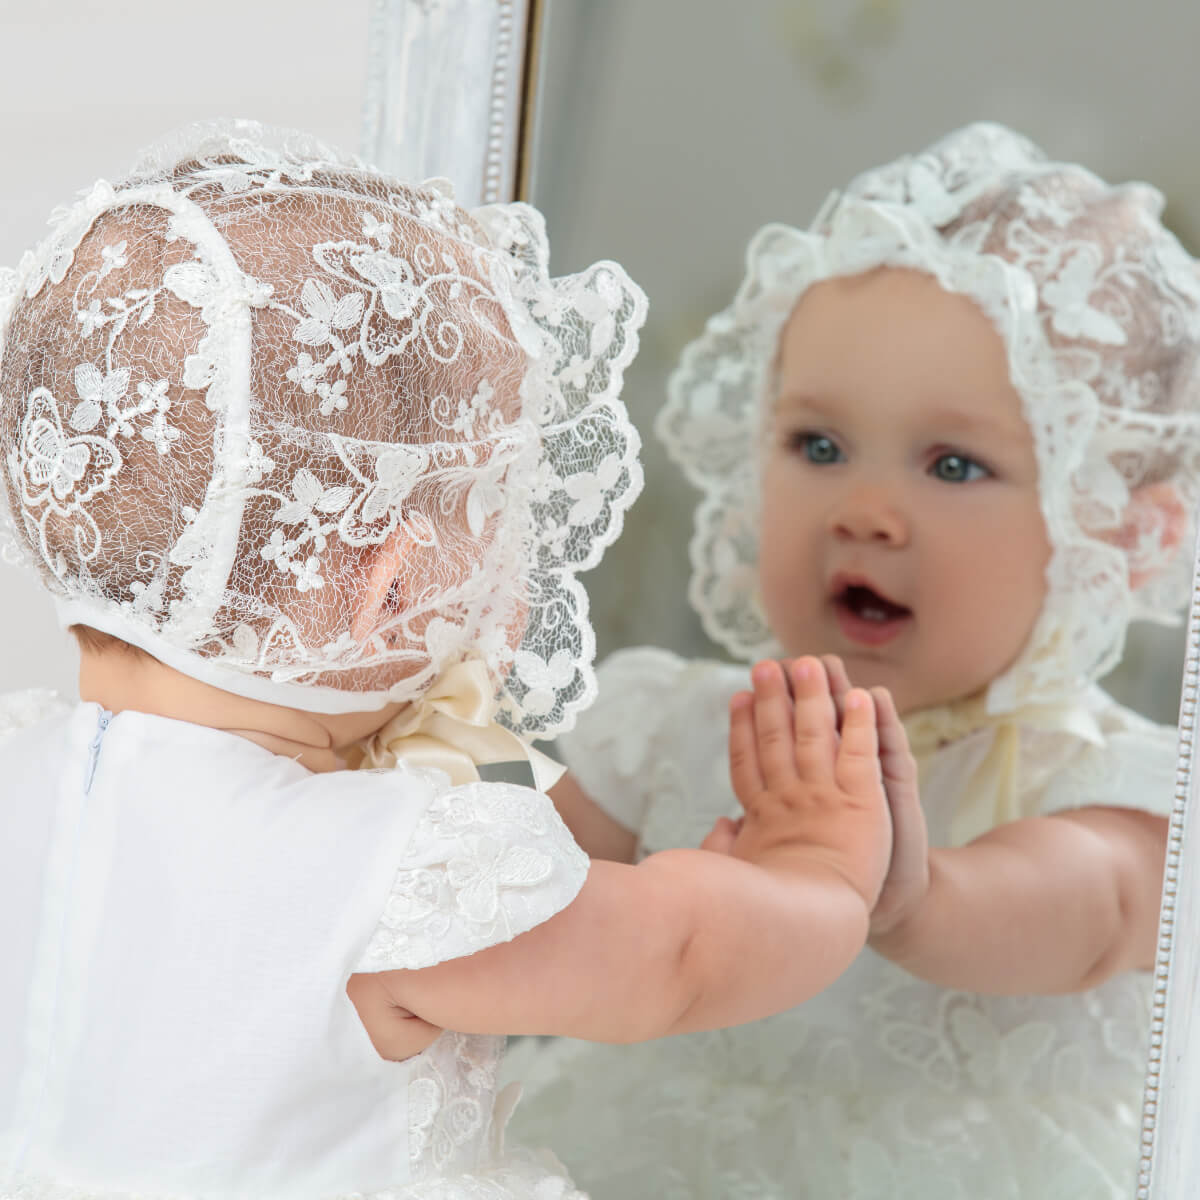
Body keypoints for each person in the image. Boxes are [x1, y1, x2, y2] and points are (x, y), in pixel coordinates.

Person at [0, 120, 893, 1199]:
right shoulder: (383, 875)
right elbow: (672, 962)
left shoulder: (23, 769)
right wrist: (822, 872)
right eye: (494, 509)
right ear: (400, 584)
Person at [506, 121, 1200, 1198]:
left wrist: (912, 898)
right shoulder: (677, 728)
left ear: (1118, 531)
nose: (865, 512)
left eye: (954, 464)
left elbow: (1080, 914)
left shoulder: (1116, 797)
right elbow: (506, 897)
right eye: (818, 447)